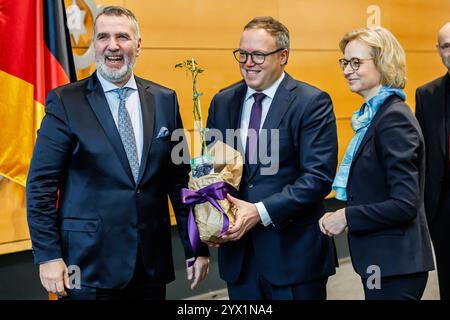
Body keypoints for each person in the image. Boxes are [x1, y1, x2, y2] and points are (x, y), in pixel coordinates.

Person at [26, 6, 209, 300]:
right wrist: (47, 255)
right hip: (86, 267)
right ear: (94, 44)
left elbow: (179, 183)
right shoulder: (65, 102)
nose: (112, 45)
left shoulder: (165, 100)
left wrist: (195, 247)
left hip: (150, 265)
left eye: (122, 36)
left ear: (137, 45)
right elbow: (41, 186)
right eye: (103, 37)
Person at [206, 16, 338, 300]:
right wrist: (214, 215)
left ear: (283, 56)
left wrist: (259, 212)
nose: (248, 62)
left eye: (258, 55)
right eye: (242, 54)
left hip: (294, 257)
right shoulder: (223, 101)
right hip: (239, 259)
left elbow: (318, 178)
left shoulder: (311, 102)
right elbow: (213, 169)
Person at [320, 26, 434, 300]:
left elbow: (405, 204)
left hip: (395, 263)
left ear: (383, 63)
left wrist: (346, 215)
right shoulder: (375, 116)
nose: (347, 69)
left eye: (356, 62)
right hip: (382, 260)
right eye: (344, 62)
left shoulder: (393, 119)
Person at [415, 22, 450, 300]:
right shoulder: (426, 95)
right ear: (438, 50)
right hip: (443, 208)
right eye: (447, 45)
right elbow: (421, 154)